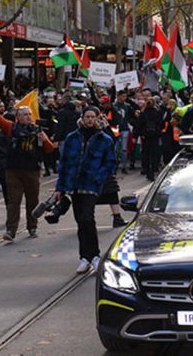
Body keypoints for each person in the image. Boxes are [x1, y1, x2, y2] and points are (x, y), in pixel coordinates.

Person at [55, 106, 117, 273]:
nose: (90, 120)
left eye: (93, 117)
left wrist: (99, 177)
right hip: (74, 185)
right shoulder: (72, 137)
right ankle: (85, 257)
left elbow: (110, 163)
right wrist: (60, 187)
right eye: (87, 117)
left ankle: (95, 255)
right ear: (82, 118)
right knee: (80, 221)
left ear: (97, 119)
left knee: (87, 217)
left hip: (92, 185)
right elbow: (64, 163)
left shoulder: (104, 139)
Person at [0, 92, 53, 241]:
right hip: (13, 170)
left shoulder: (37, 130)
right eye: (25, 114)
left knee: (32, 200)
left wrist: (45, 140)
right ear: (18, 117)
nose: (28, 117)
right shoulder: (11, 128)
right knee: (13, 201)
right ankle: (11, 230)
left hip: (32, 170)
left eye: (29, 114)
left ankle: (32, 226)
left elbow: (49, 149)